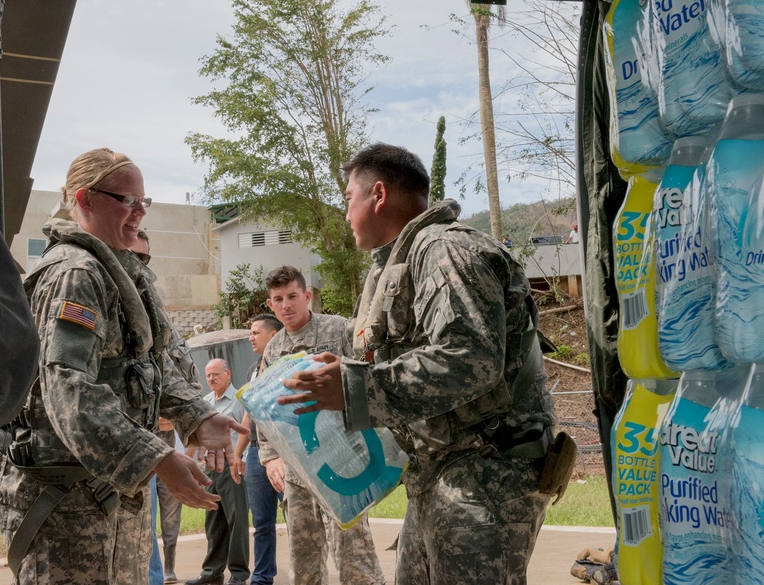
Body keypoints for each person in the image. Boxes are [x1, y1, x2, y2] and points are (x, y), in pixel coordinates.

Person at [279, 143, 556, 584]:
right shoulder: (404, 263)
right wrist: (348, 371)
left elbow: (471, 359)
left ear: (379, 195)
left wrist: (355, 389)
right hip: (439, 476)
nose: (345, 213)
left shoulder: (446, 252)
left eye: (349, 198)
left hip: (485, 476)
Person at [0, 148, 247, 585]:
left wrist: (197, 414)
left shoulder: (119, 272)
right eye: (127, 200)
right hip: (68, 513)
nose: (139, 213)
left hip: (111, 501)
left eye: (144, 202)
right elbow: (68, 393)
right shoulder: (75, 275)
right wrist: (157, 459)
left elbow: (150, 363)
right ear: (85, 199)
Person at [258, 266, 386, 585]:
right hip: (298, 469)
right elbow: (265, 408)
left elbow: (373, 371)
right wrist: (270, 455)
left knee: (353, 552)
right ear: (271, 305)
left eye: (292, 296)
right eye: (278, 299)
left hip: (342, 459)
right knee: (304, 557)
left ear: (307, 296)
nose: (286, 305)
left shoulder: (339, 330)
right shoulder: (273, 349)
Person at [131, 231, 189, 585]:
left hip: (158, 447)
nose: (139, 267)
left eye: (145, 259)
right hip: (117, 458)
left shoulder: (157, 320)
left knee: (152, 531)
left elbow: (183, 374)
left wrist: (192, 418)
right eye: (131, 255)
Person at [186, 359, 250, 585]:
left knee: (236, 520)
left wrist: (241, 460)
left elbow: (248, 431)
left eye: (216, 374)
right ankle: (211, 572)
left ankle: (239, 573)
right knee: (213, 522)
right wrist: (188, 463)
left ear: (228, 374)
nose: (211, 379)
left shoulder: (240, 400)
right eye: (208, 375)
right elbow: (196, 436)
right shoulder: (205, 402)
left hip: (233, 468)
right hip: (210, 469)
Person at [232, 313, 284, 585]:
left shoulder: (287, 366)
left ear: (273, 336)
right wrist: (237, 454)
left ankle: (306, 573)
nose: (250, 337)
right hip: (255, 453)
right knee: (262, 522)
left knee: (296, 517)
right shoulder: (253, 369)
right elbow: (247, 416)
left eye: (255, 332)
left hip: (286, 453)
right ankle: (262, 578)